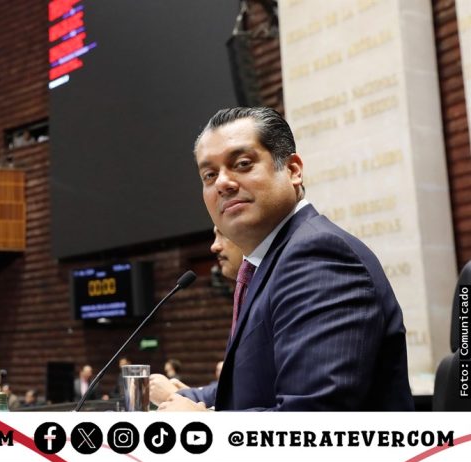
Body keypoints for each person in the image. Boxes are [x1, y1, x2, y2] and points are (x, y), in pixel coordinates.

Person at [158, 107, 413, 411]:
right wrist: (184, 400)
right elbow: (249, 391)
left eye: (242, 164)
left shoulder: (317, 255)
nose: (222, 183)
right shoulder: (269, 262)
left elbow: (313, 419)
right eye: (209, 175)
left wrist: (201, 422)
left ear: (293, 170)